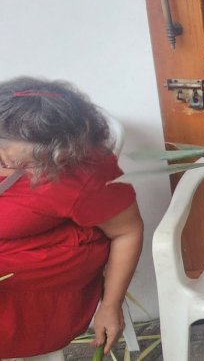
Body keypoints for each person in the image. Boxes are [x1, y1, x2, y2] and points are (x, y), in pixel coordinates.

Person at [0, 78, 143, 358]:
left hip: (37, 280)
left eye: (15, 163)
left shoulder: (81, 173)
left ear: (55, 156)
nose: (5, 167)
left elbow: (127, 232)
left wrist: (110, 306)